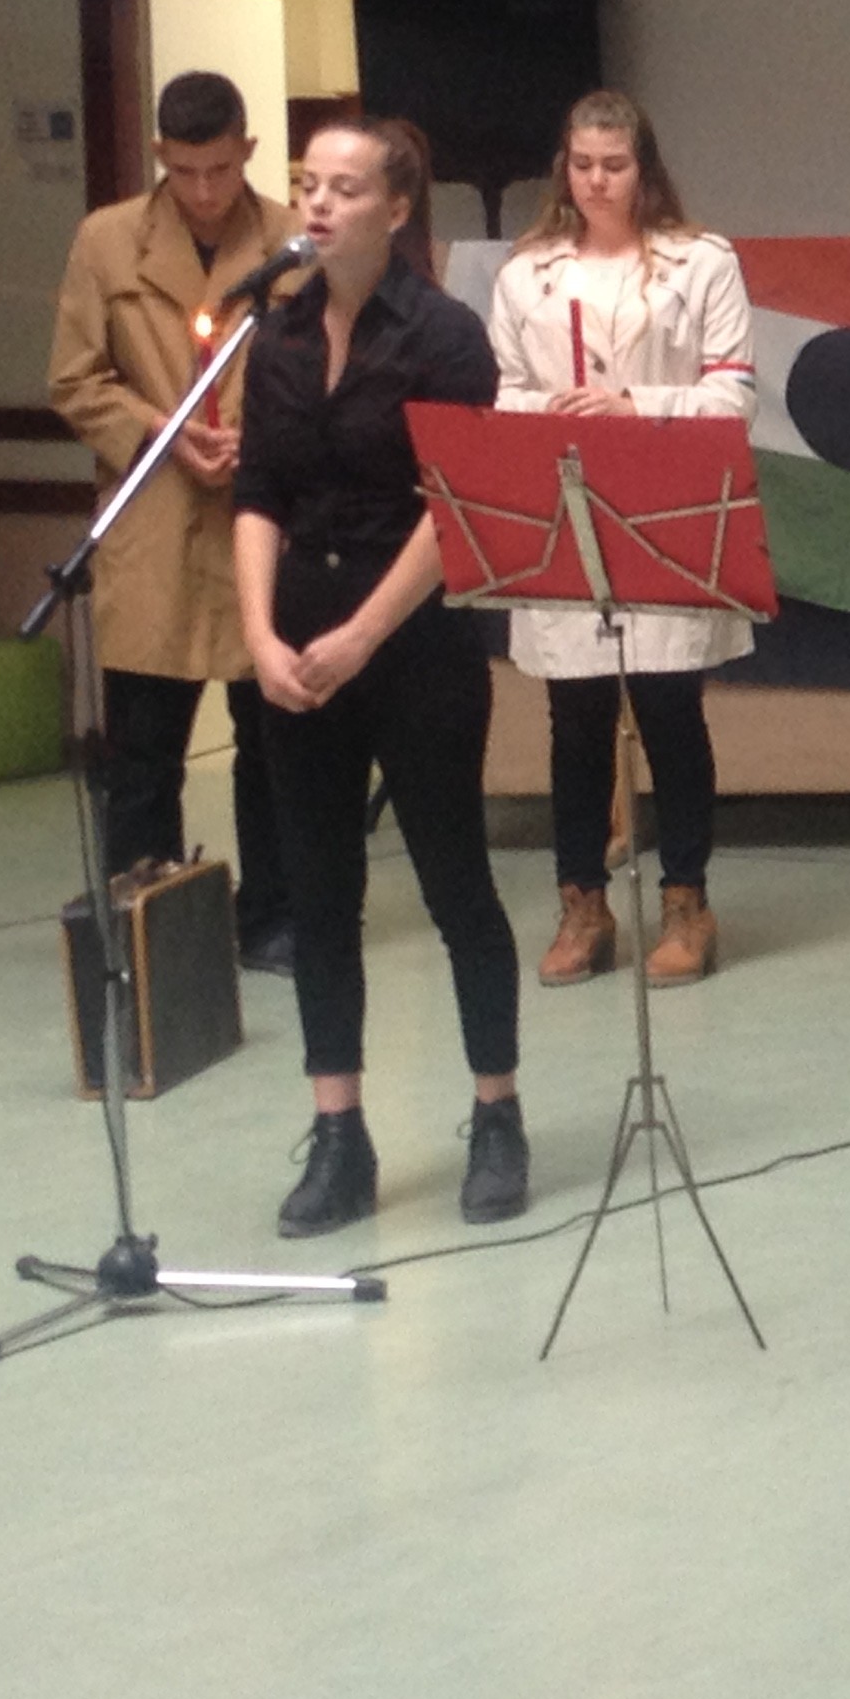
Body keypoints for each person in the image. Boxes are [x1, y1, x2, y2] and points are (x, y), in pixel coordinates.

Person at [234, 116, 527, 1236]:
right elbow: (257, 494)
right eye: (306, 184)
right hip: (299, 640)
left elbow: (457, 503)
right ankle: (339, 1135)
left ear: (395, 210)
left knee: (456, 885)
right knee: (320, 894)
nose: (316, 205)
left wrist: (364, 632)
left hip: (412, 638)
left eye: (343, 188)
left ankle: (495, 1113)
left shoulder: (445, 335)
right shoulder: (277, 332)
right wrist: (260, 635)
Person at [489, 90, 759, 988]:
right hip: (564, 514)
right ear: (562, 169)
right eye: (582, 165)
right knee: (575, 719)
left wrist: (634, 404)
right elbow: (501, 391)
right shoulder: (527, 273)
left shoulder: (701, 262)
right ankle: (583, 903)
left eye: (615, 165)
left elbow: (732, 394)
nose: (597, 181)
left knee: (672, 710)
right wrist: (557, 412)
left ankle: (686, 900)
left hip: (661, 509)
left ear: (645, 169)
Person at [46, 69, 297, 968]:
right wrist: (160, 430)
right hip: (153, 517)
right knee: (144, 753)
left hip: (262, 520)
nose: (204, 190)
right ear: (159, 155)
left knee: (271, 747)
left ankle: (272, 919)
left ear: (248, 152)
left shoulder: (292, 244)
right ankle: (145, 931)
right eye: (185, 171)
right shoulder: (107, 240)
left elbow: (322, 375)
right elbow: (74, 380)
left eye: (221, 169)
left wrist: (261, 440)